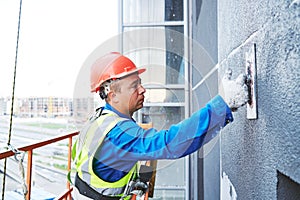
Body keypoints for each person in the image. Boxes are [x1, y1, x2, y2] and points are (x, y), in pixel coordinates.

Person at [72, 52, 249, 200]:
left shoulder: (98, 119)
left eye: (140, 82)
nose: (142, 89)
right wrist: (222, 105)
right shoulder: (120, 134)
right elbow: (172, 143)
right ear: (113, 95)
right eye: (134, 86)